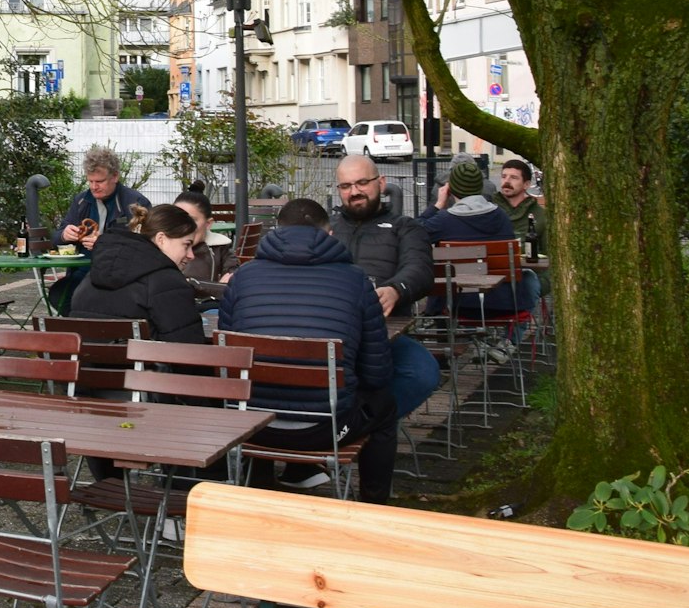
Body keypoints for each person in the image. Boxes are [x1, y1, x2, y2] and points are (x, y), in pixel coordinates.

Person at [219, 198, 397, 503]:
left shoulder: (243, 279)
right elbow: (376, 373)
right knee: (385, 407)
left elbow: (226, 362)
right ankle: (374, 506)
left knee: (257, 390)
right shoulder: (355, 281)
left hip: (250, 428)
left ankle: (261, 494)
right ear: (329, 235)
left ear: (276, 231)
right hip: (325, 430)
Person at [329, 155, 440, 418]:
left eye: (362, 183)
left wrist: (395, 289)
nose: (354, 192)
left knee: (422, 372)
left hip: (384, 334)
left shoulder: (406, 227)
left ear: (381, 182)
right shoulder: (328, 229)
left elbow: (421, 269)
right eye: (346, 186)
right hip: (330, 333)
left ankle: (369, 422)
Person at [69, 203, 207, 343]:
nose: (191, 255)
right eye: (186, 244)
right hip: (143, 363)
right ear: (161, 239)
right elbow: (188, 350)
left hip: (83, 363)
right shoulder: (169, 282)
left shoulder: (94, 274)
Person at [421, 158, 535, 323]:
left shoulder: (444, 220)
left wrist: (438, 204)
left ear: (450, 188)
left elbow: (413, 232)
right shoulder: (501, 216)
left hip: (458, 305)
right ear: (480, 187)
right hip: (504, 304)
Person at [49, 146, 154, 310]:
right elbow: (54, 240)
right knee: (59, 294)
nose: (93, 187)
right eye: (90, 181)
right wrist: (64, 235)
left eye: (99, 181)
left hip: (120, 276)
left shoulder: (135, 203)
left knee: (96, 300)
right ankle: (82, 330)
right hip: (84, 272)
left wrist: (104, 243)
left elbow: (146, 246)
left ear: (115, 177)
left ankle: (92, 330)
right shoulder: (81, 201)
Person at [487, 158, 548, 253]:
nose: (507, 181)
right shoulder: (489, 210)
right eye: (504, 176)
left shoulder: (540, 216)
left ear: (526, 184)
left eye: (513, 177)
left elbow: (548, 255)